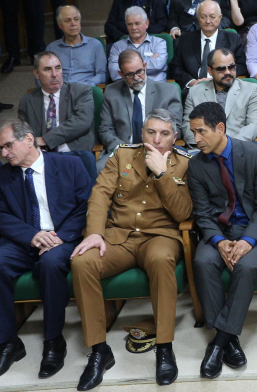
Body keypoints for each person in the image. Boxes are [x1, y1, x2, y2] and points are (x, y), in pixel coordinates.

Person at [70, 110, 192, 389]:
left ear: (175, 137)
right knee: (82, 262)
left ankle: (164, 346)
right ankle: (99, 350)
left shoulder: (185, 163)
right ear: (142, 133)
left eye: (164, 134)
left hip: (160, 235)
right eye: (151, 132)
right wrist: (95, 233)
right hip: (119, 236)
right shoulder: (122, 155)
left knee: (161, 259)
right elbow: (100, 194)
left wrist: (162, 173)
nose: (157, 139)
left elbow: (183, 212)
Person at [0, 120, 92, 382]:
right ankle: (8, 343)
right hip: (23, 240)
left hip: (62, 237)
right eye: (1, 148)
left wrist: (61, 237)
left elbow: (87, 206)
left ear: (28, 140)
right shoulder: (2, 175)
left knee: (50, 264)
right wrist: (31, 236)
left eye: (8, 145)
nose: (4, 153)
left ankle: (53, 340)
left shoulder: (70, 165)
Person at [186, 102, 257, 379]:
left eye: (201, 132)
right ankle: (230, 340)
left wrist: (248, 239)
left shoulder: (255, 154)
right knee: (203, 261)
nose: (196, 139)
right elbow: (202, 212)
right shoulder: (196, 165)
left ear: (220, 128)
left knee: (247, 266)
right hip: (221, 230)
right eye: (193, 132)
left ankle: (219, 342)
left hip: (255, 229)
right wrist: (217, 241)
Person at [98, 49, 183, 163]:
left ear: (145, 66)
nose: (137, 78)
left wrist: (154, 148)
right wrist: (123, 150)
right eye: (130, 74)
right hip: (122, 151)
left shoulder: (168, 91)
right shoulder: (111, 92)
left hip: (158, 150)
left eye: (139, 72)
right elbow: (105, 129)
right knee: (100, 168)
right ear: (121, 74)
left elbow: (176, 128)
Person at [182, 49, 257, 145]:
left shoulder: (252, 90)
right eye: (221, 69)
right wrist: (209, 145)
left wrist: (227, 146)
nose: (228, 72)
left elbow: (255, 125)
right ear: (210, 71)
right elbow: (188, 127)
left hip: (237, 147)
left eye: (231, 67)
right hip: (202, 148)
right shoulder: (195, 92)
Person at [18, 52, 94, 153]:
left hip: (74, 153)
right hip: (42, 155)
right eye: (47, 69)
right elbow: (23, 133)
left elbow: (82, 122)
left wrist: (45, 140)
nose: (54, 74)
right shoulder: (27, 100)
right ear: (36, 74)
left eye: (58, 68)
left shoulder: (81, 92)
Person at [170, 0, 243, 90]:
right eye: (203, 17)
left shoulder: (233, 39)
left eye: (212, 17)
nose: (208, 21)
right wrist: (191, 82)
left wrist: (218, 79)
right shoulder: (184, 40)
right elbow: (175, 67)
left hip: (223, 88)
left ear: (220, 18)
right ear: (197, 18)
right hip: (193, 89)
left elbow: (241, 66)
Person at [46, 5, 107, 86]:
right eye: (68, 20)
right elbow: (43, 75)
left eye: (76, 19)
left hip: (86, 89)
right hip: (60, 90)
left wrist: (86, 85)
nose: (73, 23)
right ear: (60, 25)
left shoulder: (95, 45)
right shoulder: (52, 48)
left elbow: (102, 74)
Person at [107, 7, 168, 82]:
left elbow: (157, 65)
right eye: (130, 24)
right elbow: (115, 74)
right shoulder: (117, 47)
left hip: (154, 86)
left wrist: (127, 70)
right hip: (128, 88)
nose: (133, 27)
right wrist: (149, 61)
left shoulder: (159, 43)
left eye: (137, 23)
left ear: (146, 24)